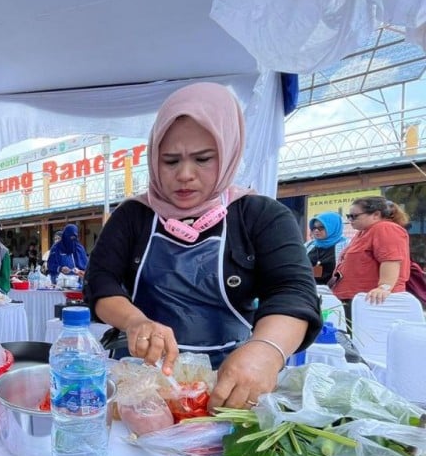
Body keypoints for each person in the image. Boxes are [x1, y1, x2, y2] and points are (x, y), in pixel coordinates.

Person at [84, 82, 321, 410]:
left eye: (203, 159)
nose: (184, 174)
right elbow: (100, 282)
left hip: (229, 380)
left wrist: (266, 349)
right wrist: (135, 321)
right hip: (141, 382)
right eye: (170, 161)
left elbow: (293, 291)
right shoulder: (132, 216)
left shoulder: (261, 216)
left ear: (227, 153)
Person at [331, 196, 411, 317]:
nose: (350, 220)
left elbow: (391, 260)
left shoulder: (385, 228)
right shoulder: (363, 232)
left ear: (376, 214)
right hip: (356, 299)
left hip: (373, 301)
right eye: (348, 216)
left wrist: (383, 287)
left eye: (354, 216)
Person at [305, 212, 349, 285]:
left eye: (321, 227)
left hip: (335, 291)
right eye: (314, 228)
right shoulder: (308, 245)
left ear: (332, 227)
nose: (316, 231)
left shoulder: (346, 246)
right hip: (309, 289)